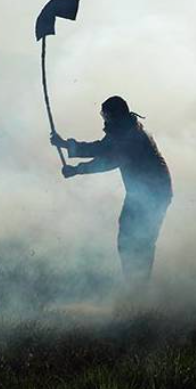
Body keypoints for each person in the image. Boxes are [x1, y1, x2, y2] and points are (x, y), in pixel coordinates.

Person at [51, 96, 173, 284]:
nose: (104, 120)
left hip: (153, 194)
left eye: (106, 115)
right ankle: (136, 288)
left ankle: (139, 291)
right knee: (129, 238)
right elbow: (101, 148)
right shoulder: (123, 130)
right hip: (141, 194)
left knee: (140, 240)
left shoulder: (130, 136)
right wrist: (67, 144)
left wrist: (76, 169)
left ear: (115, 115)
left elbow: (108, 160)